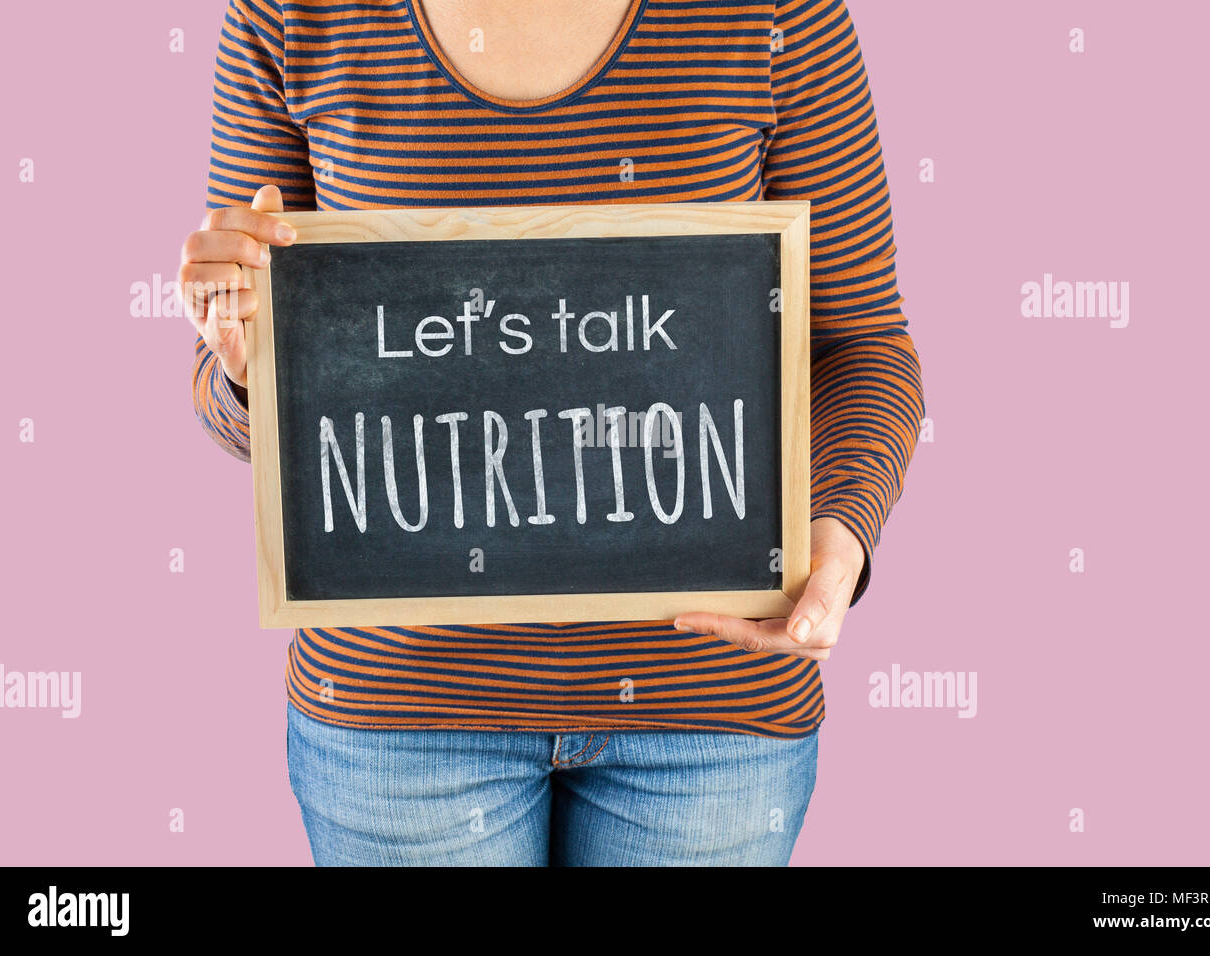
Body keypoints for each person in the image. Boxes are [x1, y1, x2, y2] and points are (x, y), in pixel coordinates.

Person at [181, 0, 924, 866]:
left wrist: (840, 531)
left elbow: (861, 346)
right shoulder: (288, 14)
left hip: (710, 714)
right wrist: (249, 366)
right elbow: (229, 397)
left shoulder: (777, 13)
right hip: (402, 715)